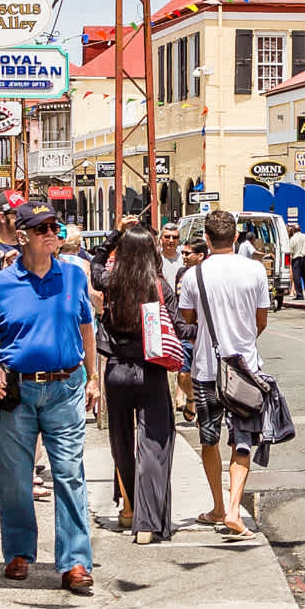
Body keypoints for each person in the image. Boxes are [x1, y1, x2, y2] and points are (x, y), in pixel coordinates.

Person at [0, 203, 100, 592]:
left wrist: (95, 380)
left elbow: (87, 329)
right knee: (14, 479)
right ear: (22, 235)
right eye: (42, 228)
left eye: (54, 227)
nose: (51, 234)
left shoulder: (74, 277)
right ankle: (19, 553)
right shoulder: (1, 284)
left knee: (70, 475)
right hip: (18, 390)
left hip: (66, 387)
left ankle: (75, 562)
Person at [182, 209, 272, 536]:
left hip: (207, 370)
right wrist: (244, 341)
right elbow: (262, 321)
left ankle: (219, 506)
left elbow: (188, 318)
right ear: (235, 237)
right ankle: (235, 508)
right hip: (246, 370)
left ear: (206, 239)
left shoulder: (195, 275)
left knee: (209, 439)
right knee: (243, 440)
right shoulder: (255, 271)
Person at [98, 226, 178, 545]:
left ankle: (129, 507)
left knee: (121, 442)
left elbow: (95, 263)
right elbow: (179, 326)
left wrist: (115, 236)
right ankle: (147, 522)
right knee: (154, 444)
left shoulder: (112, 283)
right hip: (151, 370)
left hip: (117, 370)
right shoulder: (159, 286)